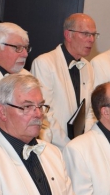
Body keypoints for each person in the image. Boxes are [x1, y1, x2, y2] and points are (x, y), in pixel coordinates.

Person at [31, 13, 97, 148]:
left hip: (80, 147)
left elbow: (90, 111)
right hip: (53, 146)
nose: (91, 39)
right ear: (68, 35)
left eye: (93, 35)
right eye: (85, 34)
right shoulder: (44, 63)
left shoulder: (88, 66)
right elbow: (45, 114)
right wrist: (68, 146)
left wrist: (85, 142)